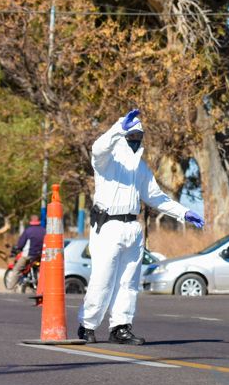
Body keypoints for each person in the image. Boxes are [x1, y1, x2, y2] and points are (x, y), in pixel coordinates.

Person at [78, 109, 204, 345]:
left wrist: (183, 212)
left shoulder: (141, 168)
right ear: (123, 135)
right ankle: (87, 325)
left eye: (138, 136)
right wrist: (118, 128)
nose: (135, 140)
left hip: (132, 227)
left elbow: (155, 197)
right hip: (108, 225)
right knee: (102, 279)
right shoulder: (107, 161)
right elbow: (98, 148)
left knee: (128, 283)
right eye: (131, 135)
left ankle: (120, 327)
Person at [4, 215, 45, 289]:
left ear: (30, 221)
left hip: (29, 255)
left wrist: (18, 248)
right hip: (40, 255)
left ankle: (10, 287)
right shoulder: (43, 230)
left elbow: (21, 244)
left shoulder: (28, 231)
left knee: (16, 269)